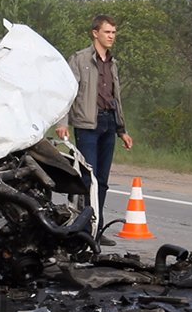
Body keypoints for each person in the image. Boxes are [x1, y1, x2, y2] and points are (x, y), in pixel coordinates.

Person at [55, 14, 134, 247]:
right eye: (108, 32)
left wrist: (122, 130)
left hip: (109, 123)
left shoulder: (113, 63)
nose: (112, 36)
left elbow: (115, 98)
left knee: (103, 181)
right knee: (88, 181)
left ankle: (97, 230)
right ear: (95, 33)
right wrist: (62, 122)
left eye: (113, 32)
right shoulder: (79, 59)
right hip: (87, 125)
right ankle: (83, 230)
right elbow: (67, 93)